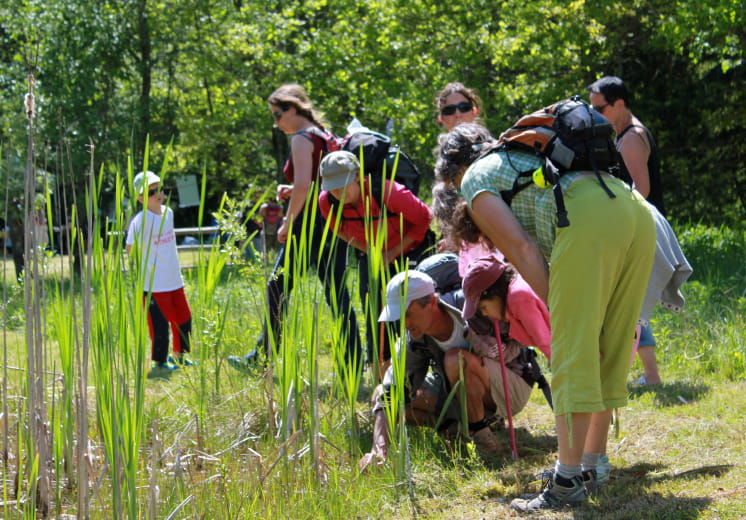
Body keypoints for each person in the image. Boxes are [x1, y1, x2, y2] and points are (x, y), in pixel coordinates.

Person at [435, 122, 655, 511]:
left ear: (456, 173)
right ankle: (592, 465)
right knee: (610, 346)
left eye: (453, 185)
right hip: (633, 210)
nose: (458, 193)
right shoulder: (522, 155)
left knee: (572, 355)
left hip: (587, 220)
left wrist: (558, 306)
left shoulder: (477, 179)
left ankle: (567, 482)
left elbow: (521, 250)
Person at [227, 84, 361, 372]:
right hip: (333, 222)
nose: (276, 124)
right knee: (337, 292)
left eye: (277, 115)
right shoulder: (326, 136)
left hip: (308, 225)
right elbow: (318, 184)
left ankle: (262, 359)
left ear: (293, 108)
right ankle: (354, 360)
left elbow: (303, 186)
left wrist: (287, 221)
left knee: (277, 287)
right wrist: (294, 190)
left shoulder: (301, 139)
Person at [359, 270, 534, 470]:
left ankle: (485, 442)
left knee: (456, 360)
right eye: (399, 317)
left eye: (408, 314)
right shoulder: (414, 339)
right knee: (379, 395)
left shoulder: (472, 305)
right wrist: (378, 449)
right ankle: (457, 429)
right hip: (459, 391)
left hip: (512, 385)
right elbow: (392, 391)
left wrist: (489, 346)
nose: (405, 324)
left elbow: (522, 334)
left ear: (432, 302)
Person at [318, 150, 433, 365]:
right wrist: (371, 252)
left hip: (409, 252)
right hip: (372, 256)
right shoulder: (327, 202)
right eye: (331, 186)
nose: (337, 192)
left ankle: (420, 363)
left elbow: (424, 218)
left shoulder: (389, 192)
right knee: (375, 312)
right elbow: (339, 230)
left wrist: (392, 253)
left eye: (342, 184)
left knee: (413, 310)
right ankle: (382, 369)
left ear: (358, 177)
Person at [588, 75, 666, 385]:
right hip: (634, 227)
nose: (596, 115)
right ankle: (643, 372)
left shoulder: (632, 137)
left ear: (619, 103)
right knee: (627, 300)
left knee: (626, 299)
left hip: (639, 228)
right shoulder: (623, 133)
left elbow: (640, 191)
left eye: (600, 108)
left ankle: (648, 374)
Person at [126, 170, 195, 379]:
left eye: (159, 189)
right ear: (140, 198)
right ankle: (159, 364)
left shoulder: (168, 213)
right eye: (151, 192)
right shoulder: (140, 220)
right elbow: (130, 248)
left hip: (173, 279)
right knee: (159, 325)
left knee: (184, 318)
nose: (157, 194)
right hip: (154, 284)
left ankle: (180, 355)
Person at [461, 254, 551, 361]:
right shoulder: (516, 294)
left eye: (484, 307)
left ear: (493, 292)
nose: (485, 314)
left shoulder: (518, 299)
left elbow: (546, 342)